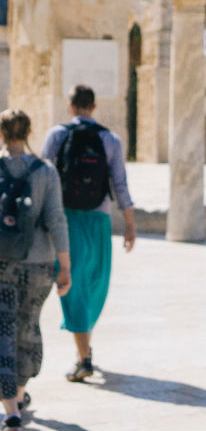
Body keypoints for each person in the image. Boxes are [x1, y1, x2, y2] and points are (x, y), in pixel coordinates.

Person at [41, 85, 136, 383]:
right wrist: (130, 224)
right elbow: (119, 184)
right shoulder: (110, 139)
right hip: (99, 218)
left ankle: (84, 353)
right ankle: (84, 355)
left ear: (70, 106)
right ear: (94, 107)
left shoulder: (56, 135)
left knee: (74, 283)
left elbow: (44, 177)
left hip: (65, 218)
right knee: (94, 283)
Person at [0, 109, 71, 431]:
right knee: (27, 328)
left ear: (1, 133)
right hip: (39, 264)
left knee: (4, 331)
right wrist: (65, 266)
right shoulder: (45, 171)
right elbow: (56, 218)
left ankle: (11, 409)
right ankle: (19, 391)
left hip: (2, 264)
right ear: (29, 132)